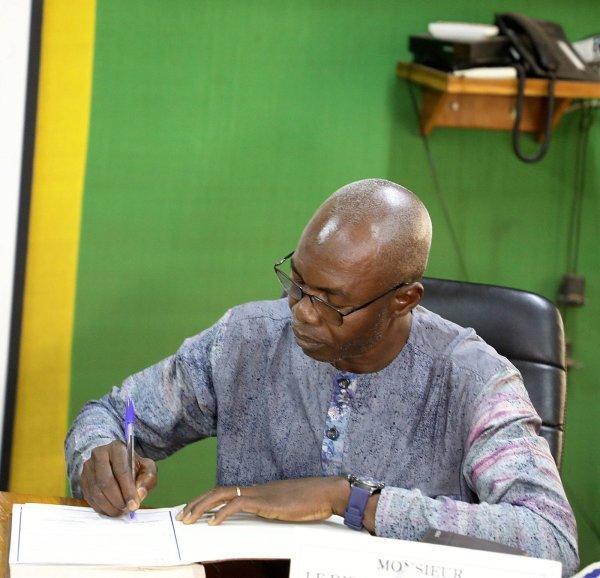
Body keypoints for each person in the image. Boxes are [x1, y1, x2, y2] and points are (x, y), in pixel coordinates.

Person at [65, 178, 578, 575]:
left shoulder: (474, 379)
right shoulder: (246, 340)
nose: (302, 313)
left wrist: (349, 499)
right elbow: (109, 415)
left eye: (332, 302)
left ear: (404, 300)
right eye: (298, 284)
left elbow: (550, 539)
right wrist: (97, 457)